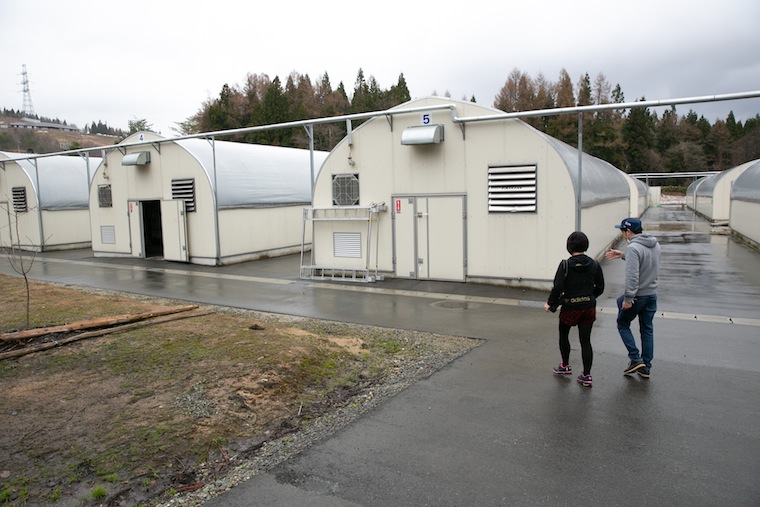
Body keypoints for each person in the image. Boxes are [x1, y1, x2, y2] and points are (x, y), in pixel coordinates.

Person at [545, 231, 605, 387]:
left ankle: (565, 366)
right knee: (585, 340)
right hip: (588, 307)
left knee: (564, 334)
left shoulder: (565, 264)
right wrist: (590, 297)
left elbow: (558, 287)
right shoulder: (594, 264)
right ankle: (586, 375)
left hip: (570, 307)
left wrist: (551, 304)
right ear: (586, 246)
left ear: (569, 247)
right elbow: (600, 287)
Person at [604, 217, 661, 378]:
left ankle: (635, 358)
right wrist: (623, 255)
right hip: (651, 295)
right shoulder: (655, 244)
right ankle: (646, 367)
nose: (622, 235)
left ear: (628, 231)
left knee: (622, 323)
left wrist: (628, 299)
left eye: (622, 231)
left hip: (637, 296)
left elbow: (632, 276)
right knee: (647, 329)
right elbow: (647, 262)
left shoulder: (634, 248)